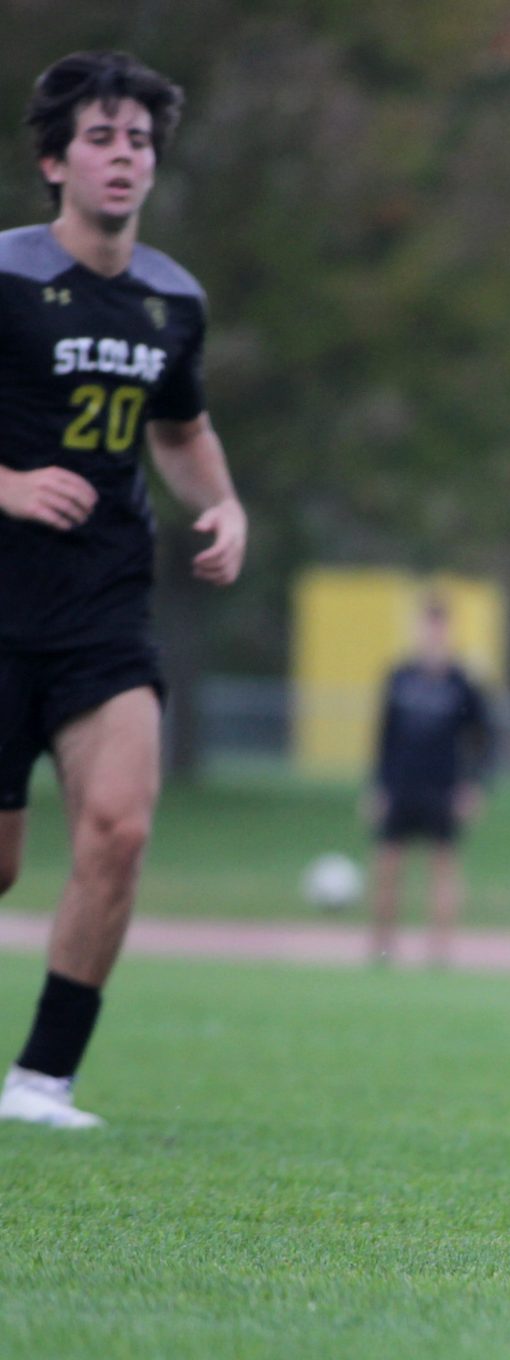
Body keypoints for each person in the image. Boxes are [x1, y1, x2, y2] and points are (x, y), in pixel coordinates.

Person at [0, 53, 246, 1130]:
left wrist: (225, 505)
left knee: (118, 830)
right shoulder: (4, 276)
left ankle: (42, 1081)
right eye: (100, 137)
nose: (122, 156)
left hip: (104, 608)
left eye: (138, 140)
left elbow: (182, 430)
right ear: (55, 159)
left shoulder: (171, 298)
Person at [365, 596, 494, 968]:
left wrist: (474, 785)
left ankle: (439, 952)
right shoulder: (399, 677)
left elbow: (483, 738)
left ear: (448, 631)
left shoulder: (462, 682)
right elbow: (384, 738)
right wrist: (378, 786)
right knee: (388, 867)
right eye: (426, 626)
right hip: (402, 786)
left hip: (443, 788)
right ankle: (383, 948)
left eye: (438, 626)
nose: (432, 634)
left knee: (443, 868)